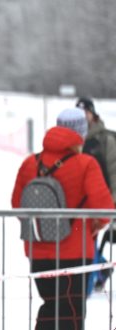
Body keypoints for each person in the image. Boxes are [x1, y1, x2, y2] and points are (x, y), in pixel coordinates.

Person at [11, 109, 113, 330]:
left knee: (53, 303)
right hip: (74, 251)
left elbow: (16, 204)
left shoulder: (30, 163)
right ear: (79, 133)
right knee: (71, 308)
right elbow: (105, 208)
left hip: (38, 249)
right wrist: (90, 226)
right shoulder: (85, 163)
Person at [75, 97, 116, 292]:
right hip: (79, 202)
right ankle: (100, 271)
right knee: (84, 242)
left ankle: (91, 280)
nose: (84, 116)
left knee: (90, 241)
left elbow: (114, 170)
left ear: (93, 113)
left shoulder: (105, 140)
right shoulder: (75, 139)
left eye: (86, 112)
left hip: (101, 201)